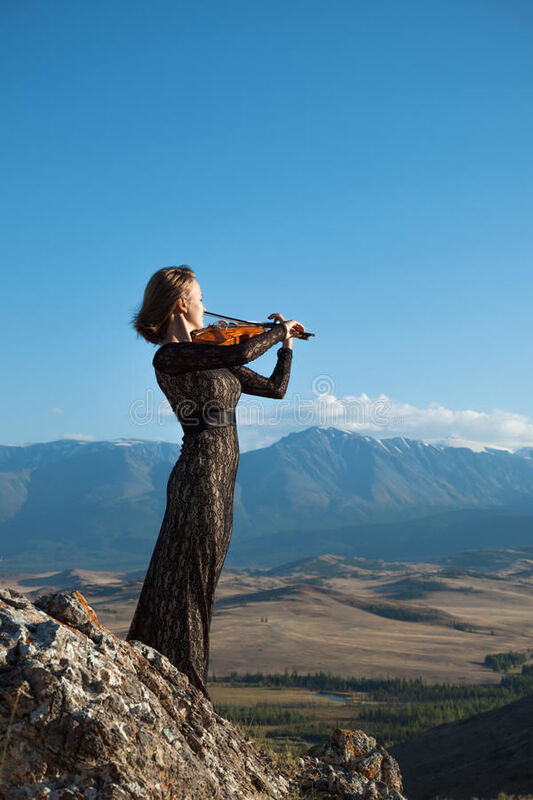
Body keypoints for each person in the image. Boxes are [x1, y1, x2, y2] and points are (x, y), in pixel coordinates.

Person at [126, 265, 304, 699]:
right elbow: (242, 354)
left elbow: (275, 389)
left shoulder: (210, 354)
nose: (207, 307)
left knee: (199, 581)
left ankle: (172, 678)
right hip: (199, 478)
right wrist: (274, 332)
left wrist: (286, 348)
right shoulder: (170, 356)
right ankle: (187, 685)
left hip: (219, 484)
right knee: (185, 583)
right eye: (201, 298)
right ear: (181, 304)